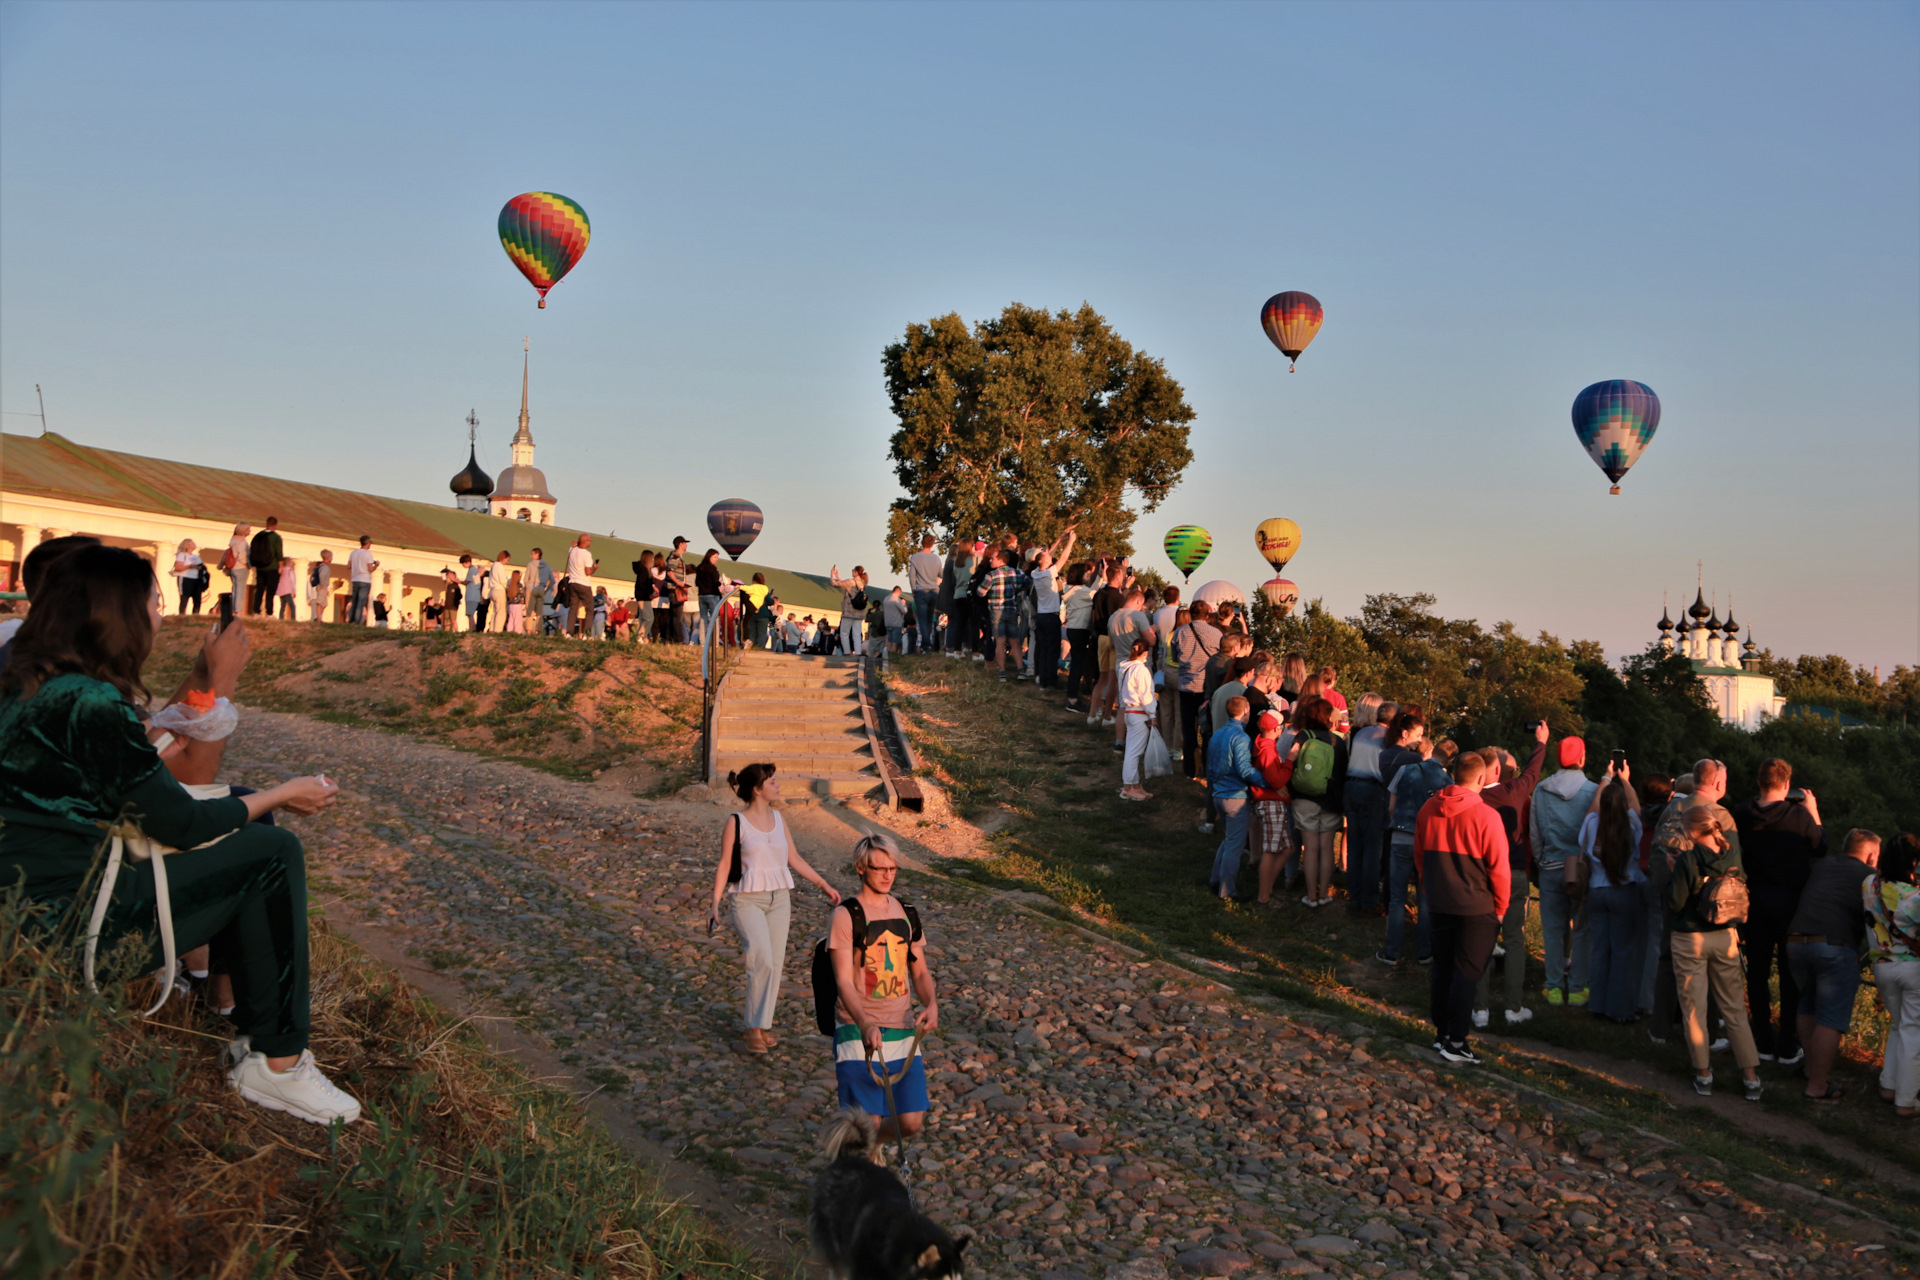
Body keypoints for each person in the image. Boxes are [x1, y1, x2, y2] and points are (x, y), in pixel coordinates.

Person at [0, 544, 358, 1124]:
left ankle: (240, 1016)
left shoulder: (28, 684)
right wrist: (283, 793)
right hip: (68, 927)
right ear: (116, 613)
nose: (160, 613)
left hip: (23, 906)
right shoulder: (88, 701)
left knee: (247, 825)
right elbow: (182, 821)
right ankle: (278, 1064)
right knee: (272, 847)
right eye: (153, 600)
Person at [705, 763, 842, 1054]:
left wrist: (824, 885)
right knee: (761, 960)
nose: (778, 785)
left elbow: (794, 857)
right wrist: (714, 905)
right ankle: (752, 1028)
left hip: (780, 898)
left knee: (775, 964)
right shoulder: (736, 822)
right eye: (772, 781)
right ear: (757, 789)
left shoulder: (779, 818)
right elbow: (724, 864)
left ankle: (761, 1023)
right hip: (747, 900)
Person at [828, 833, 938, 1140]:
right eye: (880, 869)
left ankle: (867, 1150)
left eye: (893, 868)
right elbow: (843, 982)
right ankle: (858, 1169)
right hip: (857, 1030)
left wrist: (931, 1004)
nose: (888, 875)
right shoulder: (845, 916)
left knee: (911, 1122)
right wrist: (865, 1024)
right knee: (868, 1122)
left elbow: (920, 972)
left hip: (902, 1029)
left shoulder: (907, 913)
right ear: (861, 868)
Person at [1415, 751, 1510, 1065]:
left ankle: (1442, 1033)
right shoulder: (1486, 816)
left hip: (1440, 900)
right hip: (1476, 906)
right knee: (1467, 974)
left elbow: (1420, 855)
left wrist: (1428, 890)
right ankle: (1456, 1040)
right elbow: (1499, 868)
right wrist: (1500, 908)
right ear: (1481, 779)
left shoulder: (1429, 808)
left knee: (1443, 968)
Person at [1733, 758, 1826, 1066]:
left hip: (1755, 901)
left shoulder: (1742, 813)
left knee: (1757, 973)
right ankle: (1787, 1044)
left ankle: (1762, 1039)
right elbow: (1820, 847)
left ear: (1759, 782)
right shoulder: (1798, 815)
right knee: (1789, 976)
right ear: (1787, 785)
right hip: (1791, 905)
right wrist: (1812, 811)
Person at [1668, 807, 1764, 1100]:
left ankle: (1704, 1074)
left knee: (1695, 1010)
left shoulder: (1688, 859)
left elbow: (1675, 903)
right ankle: (1750, 1077)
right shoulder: (1732, 854)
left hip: (1689, 938)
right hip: (1725, 937)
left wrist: (1675, 873)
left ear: (1693, 831)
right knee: (1734, 1009)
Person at [1787, 827, 1881, 1101]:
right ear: (1872, 855)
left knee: (1807, 1004)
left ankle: (1810, 1069)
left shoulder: (1823, 865)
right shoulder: (1869, 877)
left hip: (1797, 940)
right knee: (1831, 1018)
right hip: (1834, 947)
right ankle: (1817, 1086)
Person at [1530, 737, 1598, 1006]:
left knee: (1553, 929)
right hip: (1581, 870)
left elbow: (1535, 833)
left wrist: (1540, 861)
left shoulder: (1541, 789)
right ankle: (1580, 988)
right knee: (1582, 928)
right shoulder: (1594, 791)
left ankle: (1554, 987)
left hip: (1550, 865)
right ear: (1582, 759)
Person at [1379, 734, 1451, 968]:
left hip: (1400, 836)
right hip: (1428, 843)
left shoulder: (1405, 771)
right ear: (1449, 760)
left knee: (1397, 898)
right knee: (1425, 900)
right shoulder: (1446, 781)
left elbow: (1391, 805)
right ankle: (1424, 952)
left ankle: (1392, 952)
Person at [1580, 767, 1645, 1024]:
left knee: (1598, 951)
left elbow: (1593, 810)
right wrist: (1626, 781)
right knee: (1622, 953)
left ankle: (1597, 1004)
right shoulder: (1631, 823)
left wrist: (1605, 778)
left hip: (1596, 890)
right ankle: (1619, 1010)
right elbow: (1636, 807)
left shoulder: (1593, 822)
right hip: (1624, 890)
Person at [1865, 833, 1920, 1119]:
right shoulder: (1915, 898)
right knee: (1914, 1033)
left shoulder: (1869, 885)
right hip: (1912, 969)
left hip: (1881, 966)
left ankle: (1889, 1085)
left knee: (1899, 1026)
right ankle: (1906, 1101)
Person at [1290, 696, 1349, 907]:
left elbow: (1291, 760)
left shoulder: (1303, 736)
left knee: (1311, 848)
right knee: (1326, 850)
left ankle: (1310, 896)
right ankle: (1324, 893)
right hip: (1331, 801)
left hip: (1304, 798)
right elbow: (1343, 774)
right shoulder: (1339, 742)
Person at [1206, 695, 1265, 899]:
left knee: (1228, 839)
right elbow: (1244, 769)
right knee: (1235, 845)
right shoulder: (1241, 737)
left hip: (1218, 794)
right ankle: (1227, 890)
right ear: (1246, 710)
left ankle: (1216, 880)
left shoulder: (1218, 734)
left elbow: (1210, 766)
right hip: (1236, 796)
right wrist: (1265, 780)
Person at [1342, 697, 1392, 917]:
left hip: (1351, 788)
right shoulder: (1388, 739)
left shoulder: (1361, 733)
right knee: (1372, 848)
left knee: (1355, 845)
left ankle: (1354, 895)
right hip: (1372, 791)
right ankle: (1369, 900)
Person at [1170, 601, 1223, 785]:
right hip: (1206, 688)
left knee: (1188, 730)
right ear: (1207, 614)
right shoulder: (1216, 634)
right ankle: (1208, 768)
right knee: (1208, 730)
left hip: (1186, 686)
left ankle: (1190, 769)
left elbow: (1175, 656)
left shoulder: (1180, 632)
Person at [1250, 710, 1300, 906]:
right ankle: (1264, 895)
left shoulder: (1260, 744)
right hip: (1271, 805)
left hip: (1270, 802)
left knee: (1287, 848)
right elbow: (1277, 780)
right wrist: (1290, 761)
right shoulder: (1269, 750)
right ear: (1277, 729)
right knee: (1271, 851)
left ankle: (1268, 886)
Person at [1029, 530, 1075, 690]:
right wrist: (1070, 541)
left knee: (1042, 649)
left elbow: (1046, 555)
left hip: (1041, 616)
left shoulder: (1035, 574)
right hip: (1052, 617)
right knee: (1052, 650)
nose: (1050, 557)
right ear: (1045, 562)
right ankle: (1050, 681)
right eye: (1048, 558)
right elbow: (1063, 558)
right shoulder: (1050, 573)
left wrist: (1058, 539)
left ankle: (1042, 680)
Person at [1115, 636, 1157, 802]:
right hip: (1140, 713)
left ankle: (1135, 784)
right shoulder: (1141, 670)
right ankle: (1129, 786)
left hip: (1129, 712)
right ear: (1145, 653)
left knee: (1132, 750)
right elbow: (1146, 695)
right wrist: (1153, 715)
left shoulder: (1125, 668)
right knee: (1134, 752)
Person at [1061, 563, 1097, 709]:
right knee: (1077, 666)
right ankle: (1073, 699)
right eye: (1086, 574)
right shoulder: (1081, 591)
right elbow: (1094, 593)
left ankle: (1072, 694)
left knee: (1076, 664)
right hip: (1080, 630)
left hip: (1073, 629)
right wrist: (1101, 576)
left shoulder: (1070, 589)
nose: (1088, 576)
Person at [907, 534, 944, 654]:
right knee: (929, 619)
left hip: (921, 591)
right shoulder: (936, 558)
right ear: (933, 544)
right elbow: (941, 575)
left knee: (922, 619)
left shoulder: (915, 558)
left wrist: (913, 590)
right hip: (934, 591)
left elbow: (912, 577)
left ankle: (926, 644)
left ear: (921, 543)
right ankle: (927, 644)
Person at [828, 564, 868, 657]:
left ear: (856, 572)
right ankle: (857, 653)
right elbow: (846, 586)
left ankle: (846, 652)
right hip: (859, 613)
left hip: (849, 612)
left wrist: (832, 574)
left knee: (844, 633)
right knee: (857, 634)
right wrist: (838, 576)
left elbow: (835, 584)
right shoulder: (863, 583)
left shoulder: (851, 581)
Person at [246, 517, 283, 616]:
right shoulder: (276, 537)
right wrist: (280, 566)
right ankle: (269, 612)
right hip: (272, 567)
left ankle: (256, 612)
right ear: (275, 525)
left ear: (266, 524)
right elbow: (279, 553)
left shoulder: (258, 535)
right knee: (270, 591)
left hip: (260, 567)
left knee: (259, 590)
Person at [565, 536, 598, 638]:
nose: (591, 542)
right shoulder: (587, 554)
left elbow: (572, 546)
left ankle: (569, 633)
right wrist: (595, 568)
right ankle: (586, 634)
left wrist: (575, 544)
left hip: (572, 582)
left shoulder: (572, 550)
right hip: (583, 583)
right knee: (590, 608)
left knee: (573, 608)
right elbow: (588, 572)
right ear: (585, 542)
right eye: (590, 540)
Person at [346, 535, 378, 626]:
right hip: (365, 580)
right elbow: (370, 569)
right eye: (370, 543)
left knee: (354, 601)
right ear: (367, 543)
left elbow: (348, 566)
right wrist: (376, 565)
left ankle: (351, 620)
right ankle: (357, 621)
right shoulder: (368, 554)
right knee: (361, 602)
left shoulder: (353, 553)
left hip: (355, 579)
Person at [171, 539, 207, 615]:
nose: (194, 544)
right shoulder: (182, 555)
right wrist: (190, 566)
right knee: (184, 599)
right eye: (192, 543)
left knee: (197, 600)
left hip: (196, 579)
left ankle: (195, 616)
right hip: (185, 578)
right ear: (187, 545)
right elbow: (177, 567)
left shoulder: (196, 557)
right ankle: (182, 616)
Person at [630, 550, 658, 644]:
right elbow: (643, 585)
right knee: (649, 618)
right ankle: (640, 636)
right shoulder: (644, 570)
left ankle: (637, 637)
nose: (653, 559)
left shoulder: (643, 569)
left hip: (641, 596)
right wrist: (651, 593)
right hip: (644, 597)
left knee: (643, 618)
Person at [525, 547, 553, 636]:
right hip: (541, 589)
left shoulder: (530, 564)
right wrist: (546, 590)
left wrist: (527, 587)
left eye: (532, 554)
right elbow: (552, 581)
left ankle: (529, 631)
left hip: (531, 588)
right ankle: (539, 631)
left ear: (537, 554)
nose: (530, 556)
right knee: (539, 612)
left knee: (530, 610)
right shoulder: (547, 566)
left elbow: (526, 579)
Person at [224, 523, 251, 608]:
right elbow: (242, 556)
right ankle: (238, 611)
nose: (250, 531)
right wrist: (247, 564)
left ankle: (234, 609)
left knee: (235, 589)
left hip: (233, 568)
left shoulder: (233, 540)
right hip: (241, 568)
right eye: (248, 529)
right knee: (241, 590)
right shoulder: (242, 542)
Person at [485, 551, 513, 634]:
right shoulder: (499, 566)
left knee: (495, 611)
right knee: (501, 611)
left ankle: (492, 629)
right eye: (507, 560)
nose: (507, 562)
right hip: (499, 589)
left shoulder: (493, 565)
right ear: (504, 558)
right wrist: (508, 586)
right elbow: (502, 580)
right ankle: (498, 630)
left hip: (493, 589)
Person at [307, 550, 334, 622]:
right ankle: (318, 618)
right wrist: (322, 583)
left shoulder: (324, 566)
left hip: (324, 586)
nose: (332, 558)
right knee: (320, 602)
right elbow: (322, 575)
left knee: (324, 604)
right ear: (328, 557)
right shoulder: (324, 566)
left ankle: (319, 617)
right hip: (322, 586)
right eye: (331, 557)